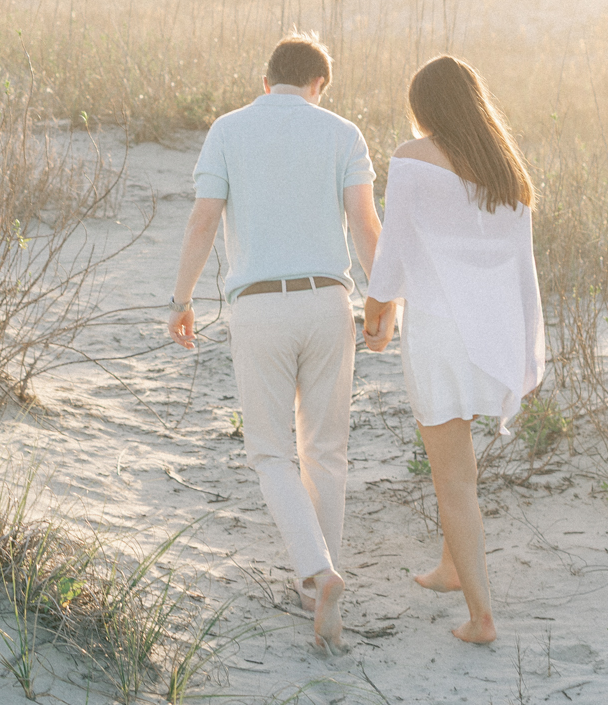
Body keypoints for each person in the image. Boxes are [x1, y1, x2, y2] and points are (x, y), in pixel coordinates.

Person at [166, 33, 381, 652]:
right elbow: (366, 227)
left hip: (258, 306)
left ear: (267, 82)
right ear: (319, 87)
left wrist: (182, 302)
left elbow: (203, 220)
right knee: (327, 450)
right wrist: (384, 304)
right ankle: (320, 588)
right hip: (327, 300)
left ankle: (317, 570)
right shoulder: (342, 132)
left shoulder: (228, 130)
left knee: (269, 451)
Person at [363, 54, 545, 645]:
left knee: (453, 480)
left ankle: (482, 616)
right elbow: (523, 266)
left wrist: (376, 310)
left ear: (425, 107)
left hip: (441, 334)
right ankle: (449, 567)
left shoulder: (414, 159)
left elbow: (393, 249)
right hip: (489, 334)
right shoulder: (505, 169)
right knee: (459, 464)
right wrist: (522, 345)